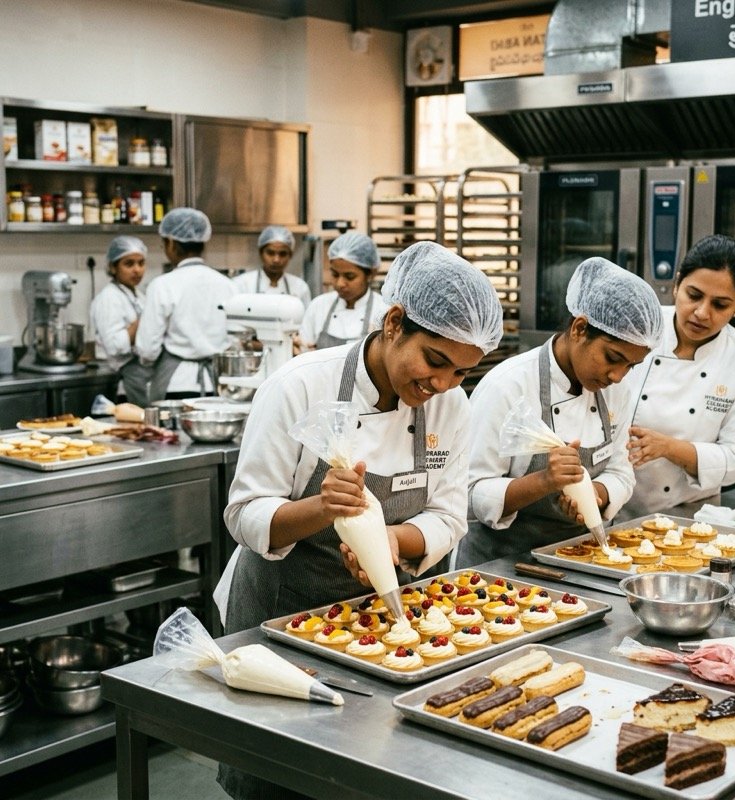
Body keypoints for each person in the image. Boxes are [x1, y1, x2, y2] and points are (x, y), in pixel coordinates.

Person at [215, 241, 503, 799]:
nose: (442, 385)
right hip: (282, 617)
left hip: (380, 622)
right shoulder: (300, 386)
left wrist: (391, 540)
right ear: (394, 322)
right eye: (436, 362)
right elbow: (244, 515)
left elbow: (449, 516)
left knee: (365, 775)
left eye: (462, 372)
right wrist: (324, 508)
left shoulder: (451, 405)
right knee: (275, 776)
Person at [456, 257, 663, 567]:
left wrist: (596, 493)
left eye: (631, 366)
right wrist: (544, 481)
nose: (618, 375)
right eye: (612, 358)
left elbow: (621, 471)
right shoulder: (508, 385)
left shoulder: (616, 390)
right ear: (579, 329)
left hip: (580, 558)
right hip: (500, 566)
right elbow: (469, 493)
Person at [623, 234, 735, 516]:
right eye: (694, 295)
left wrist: (669, 447)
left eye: (720, 304)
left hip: (690, 518)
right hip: (611, 508)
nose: (702, 313)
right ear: (677, 284)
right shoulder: (638, 330)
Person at [135, 207, 237, 400]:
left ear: (171, 243)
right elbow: (236, 339)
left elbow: (147, 349)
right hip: (219, 385)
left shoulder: (162, 285)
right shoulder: (228, 285)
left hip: (176, 384)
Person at [89, 236, 153, 407]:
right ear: (113, 267)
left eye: (141, 263)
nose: (137, 270)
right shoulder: (109, 298)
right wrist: (145, 320)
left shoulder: (139, 295)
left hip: (141, 375)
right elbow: (114, 346)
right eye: (129, 264)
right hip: (119, 377)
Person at [297, 230, 386, 349]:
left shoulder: (383, 311)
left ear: (370, 274)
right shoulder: (319, 306)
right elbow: (303, 349)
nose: (340, 283)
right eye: (335, 274)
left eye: (349, 277)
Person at [232, 224, 311, 308]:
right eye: (270, 253)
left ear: (290, 255)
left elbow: (305, 319)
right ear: (261, 253)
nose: (276, 259)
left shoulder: (300, 287)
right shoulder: (242, 285)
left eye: (282, 254)